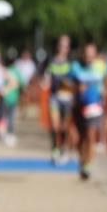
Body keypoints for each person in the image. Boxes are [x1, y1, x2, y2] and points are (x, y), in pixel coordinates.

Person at [71, 42, 105, 180]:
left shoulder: (100, 67)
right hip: (79, 105)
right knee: (80, 138)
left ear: (95, 55)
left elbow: (105, 81)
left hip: (94, 106)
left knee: (90, 137)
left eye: (91, 54)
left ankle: (87, 166)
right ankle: (82, 160)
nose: (88, 57)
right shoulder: (76, 67)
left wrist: (105, 90)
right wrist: (76, 88)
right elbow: (73, 82)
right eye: (86, 54)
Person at [42, 35, 75, 164]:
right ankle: (55, 149)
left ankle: (64, 149)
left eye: (66, 46)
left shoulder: (72, 62)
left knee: (64, 127)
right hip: (55, 97)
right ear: (57, 46)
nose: (63, 48)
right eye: (61, 45)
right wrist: (44, 83)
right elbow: (45, 79)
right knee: (55, 126)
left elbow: (76, 80)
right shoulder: (51, 61)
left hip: (67, 98)